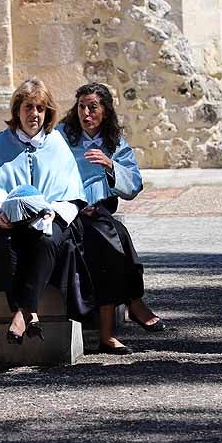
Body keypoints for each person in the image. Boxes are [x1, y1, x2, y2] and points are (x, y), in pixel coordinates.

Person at [0, 78, 94, 344]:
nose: (33, 114)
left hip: (51, 218)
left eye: (39, 108)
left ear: (47, 112)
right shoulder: (2, 143)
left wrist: (52, 214)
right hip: (11, 221)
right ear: (17, 110)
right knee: (0, 244)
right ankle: (29, 312)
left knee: (47, 241)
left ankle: (21, 314)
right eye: (28, 107)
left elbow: (70, 194)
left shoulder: (57, 143)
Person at [59, 83, 168, 356]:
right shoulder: (62, 137)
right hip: (69, 211)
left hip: (100, 212)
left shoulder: (114, 142)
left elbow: (133, 185)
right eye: (82, 106)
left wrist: (110, 165)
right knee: (107, 237)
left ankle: (122, 318)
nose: (86, 113)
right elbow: (48, 172)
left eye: (93, 107)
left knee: (116, 234)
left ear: (105, 112)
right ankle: (132, 305)